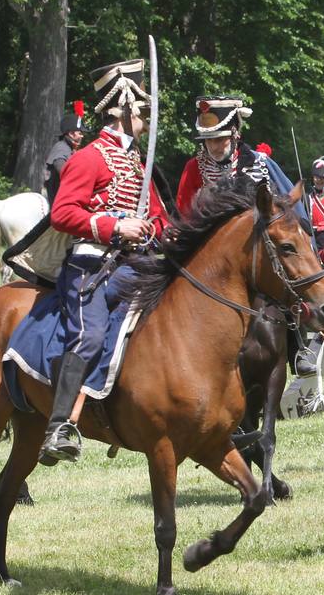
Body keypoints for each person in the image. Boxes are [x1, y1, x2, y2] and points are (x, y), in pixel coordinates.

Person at [40, 59, 169, 465]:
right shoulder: (89, 158)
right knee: (90, 335)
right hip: (91, 265)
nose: (147, 121)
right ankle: (59, 425)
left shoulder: (136, 163)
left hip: (136, 264)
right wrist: (115, 227)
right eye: (142, 113)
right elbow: (62, 213)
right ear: (121, 111)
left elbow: (159, 217)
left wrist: (163, 231)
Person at [174, 96, 294, 218]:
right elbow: (183, 213)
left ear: (235, 134)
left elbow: (288, 208)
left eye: (220, 139)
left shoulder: (261, 162)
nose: (213, 147)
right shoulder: (194, 167)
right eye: (208, 140)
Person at [43, 101, 88, 205]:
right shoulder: (61, 148)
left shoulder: (70, 148)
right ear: (71, 134)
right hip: (56, 199)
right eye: (80, 133)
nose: (82, 136)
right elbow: (62, 169)